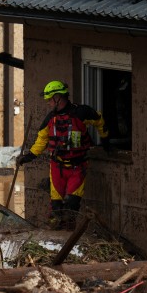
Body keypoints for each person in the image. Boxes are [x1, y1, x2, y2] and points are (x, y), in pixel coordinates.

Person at [17, 80, 109, 230]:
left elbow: (99, 121)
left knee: (72, 204)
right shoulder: (50, 119)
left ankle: (69, 235)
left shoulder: (82, 112)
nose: (48, 103)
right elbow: (41, 141)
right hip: (57, 167)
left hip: (78, 167)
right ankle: (54, 234)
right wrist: (28, 157)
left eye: (49, 100)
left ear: (58, 97)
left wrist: (105, 139)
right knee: (56, 207)